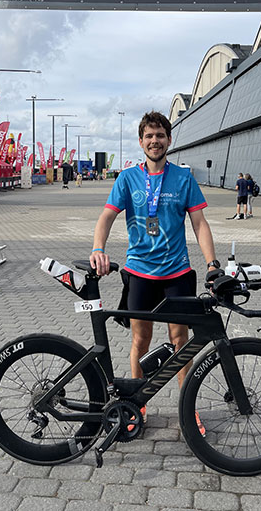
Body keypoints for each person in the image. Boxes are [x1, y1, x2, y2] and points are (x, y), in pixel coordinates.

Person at [90, 111, 219, 433]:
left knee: (181, 341)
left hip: (177, 272)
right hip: (140, 273)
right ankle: (137, 403)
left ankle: (187, 408)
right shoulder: (127, 178)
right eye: (149, 136)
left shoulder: (184, 178)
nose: (155, 141)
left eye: (160, 135)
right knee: (141, 340)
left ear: (169, 140)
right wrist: (98, 248)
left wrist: (213, 264)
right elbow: (106, 216)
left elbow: (200, 224)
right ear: (141, 141)